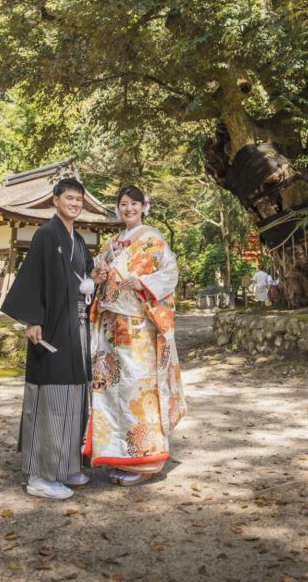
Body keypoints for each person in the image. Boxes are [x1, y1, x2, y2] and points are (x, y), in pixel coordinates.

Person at [0, 176, 95, 501]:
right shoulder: (45, 234)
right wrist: (33, 319)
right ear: (55, 200)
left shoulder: (77, 239)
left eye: (79, 200)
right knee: (51, 398)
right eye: (69, 198)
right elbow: (32, 277)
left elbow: (87, 276)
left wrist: (93, 280)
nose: (75, 204)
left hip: (76, 328)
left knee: (75, 395)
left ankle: (66, 465)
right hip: (51, 328)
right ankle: (40, 474)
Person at [85, 184, 186, 486]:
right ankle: (119, 455)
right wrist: (99, 276)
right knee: (111, 391)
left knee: (138, 391)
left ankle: (146, 461)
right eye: (123, 204)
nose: (128, 209)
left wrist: (143, 283)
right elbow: (99, 276)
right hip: (111, 327)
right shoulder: (112, 243)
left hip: (139, 328)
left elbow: (170, 274)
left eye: (134, 204)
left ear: (144, 207)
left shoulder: (153, 238)